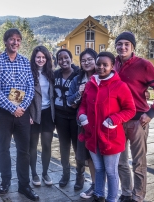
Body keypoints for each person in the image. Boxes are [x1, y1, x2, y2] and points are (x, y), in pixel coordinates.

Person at [114, 32, 154, 202]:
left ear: (133, 47)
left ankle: (138, 197)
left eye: (126, 44)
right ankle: (126, 192)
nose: (122, 47)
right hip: (118, 121)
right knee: (120, 161)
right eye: (119, 44)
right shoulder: (113, 64)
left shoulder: (144, 65)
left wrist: (150, 114)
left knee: (138, 162)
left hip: (138, 120)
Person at [78, 51, 136, 202]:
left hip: (111, 137)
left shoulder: (120, 86)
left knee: (111, 171)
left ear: (112, 66)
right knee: (98, 169)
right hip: (92, 135)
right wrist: (82, 116)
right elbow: (83, 105)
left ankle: (111, 198)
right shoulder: (90, 85)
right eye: (99, 64)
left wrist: (114, 119)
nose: (101, 67)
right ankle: (99, 194)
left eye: (105, 65)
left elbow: (130, 110)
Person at [0, 28, 39, 201]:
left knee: (24, 150)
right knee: (3, 148)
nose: (15, 43)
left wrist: (22, 107)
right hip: (3, 113)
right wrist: (12, 108)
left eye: (18, 40)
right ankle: (5, 181)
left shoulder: (25, 62)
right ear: (5, 41)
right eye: (12, 39)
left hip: (22, 113)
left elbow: (30, 88)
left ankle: (24, 185)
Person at [67, 48, 97, 199]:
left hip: (103, 123)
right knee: (89, 155)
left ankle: (107, 188)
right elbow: (70, 102)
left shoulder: (103, 75)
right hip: (84, 124)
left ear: (96, 60)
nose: (86, 63)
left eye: (90, 59)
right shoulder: (77, 79)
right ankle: (94, 185)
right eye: (83, 60)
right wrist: (79, 92)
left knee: (105, 156)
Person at [53, 49, 82, 189]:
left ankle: (80, 176)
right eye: (60, 58)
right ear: (57, 61)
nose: (63, 60)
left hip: (75, 116)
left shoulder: (79, 74)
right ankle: (65, 174)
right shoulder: (55, 74)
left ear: (71, 58)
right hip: (60, 116)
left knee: (78, 148)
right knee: (64, 146)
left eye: (66, 57)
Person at [28, 46, 55, 186]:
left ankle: (45, 173)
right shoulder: (28, 73)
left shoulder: (50, 73)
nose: (41, 59)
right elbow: (22, 94)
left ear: (47, 59)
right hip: (33, 113)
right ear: (34, 58)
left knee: (46, 145)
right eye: (38, 57)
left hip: (47, 113)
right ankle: (34, 174)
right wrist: (27, 114)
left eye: (43, 57)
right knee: (32, 146)